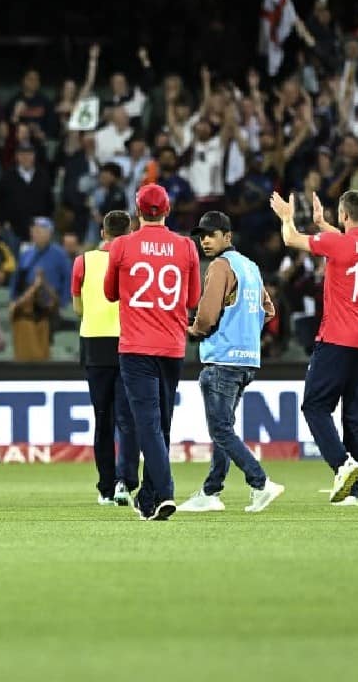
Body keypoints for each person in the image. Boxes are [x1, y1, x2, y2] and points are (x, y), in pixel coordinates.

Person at [270, 190, 358, 505]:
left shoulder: (339, 244)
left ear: (345, 216)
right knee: (356, 417)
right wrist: (323, 223)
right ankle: (353, 493)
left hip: (337, 339)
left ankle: (341, 464)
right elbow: (350, 245)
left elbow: (292, 239)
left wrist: (286, 216)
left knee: (315, 406)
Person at [103, 183, 201, 521]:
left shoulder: (122, 246)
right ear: (168, 210)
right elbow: (191, 300)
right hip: (172, 346)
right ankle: (149, 497)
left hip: (136, 346)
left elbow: (110, 293)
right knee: (161, 423)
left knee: (147, 422)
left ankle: (166, 492)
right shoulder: (187, 247)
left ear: (137, 210)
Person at [177, 211, 285, 514]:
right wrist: (245, 331)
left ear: (228, 236)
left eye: (211, 234)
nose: (205, 241)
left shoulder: (220, 266)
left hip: (222, 359)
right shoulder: (249, 266)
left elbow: (208, 315)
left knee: (221, 430)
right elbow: (268, 309)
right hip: (247, 359)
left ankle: (260, 483)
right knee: (224, 428)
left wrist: (195, 330)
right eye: (202, 235)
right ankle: (211, 491)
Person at [71, 210, 137, 506]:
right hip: (129, 342)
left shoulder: (82, 262)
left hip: (95, 344)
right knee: (127, 419)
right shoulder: (133, 261)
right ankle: (125, 482)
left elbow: (77, 308)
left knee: (103, 419)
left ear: (102, 232)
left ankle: (106, 488)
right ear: (130, 232)